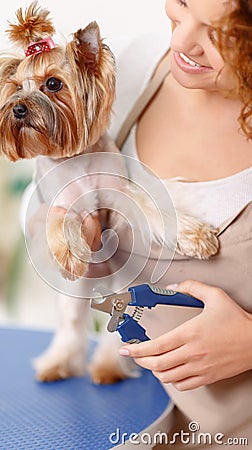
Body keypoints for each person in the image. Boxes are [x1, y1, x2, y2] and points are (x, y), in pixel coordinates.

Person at [106, 0, 252, 448]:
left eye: (219, 32)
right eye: (183, 3)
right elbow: (49, 201)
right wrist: (62, 225)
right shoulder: (131, 69)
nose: (181, 40)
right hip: (133, 414)